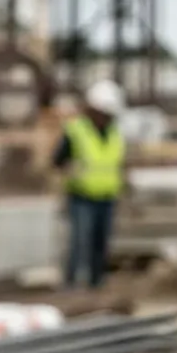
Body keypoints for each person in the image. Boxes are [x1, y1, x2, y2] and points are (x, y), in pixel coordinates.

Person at [55, 80, 126, 287]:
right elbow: (58, 160)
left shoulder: (115, 133)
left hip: (107, 196)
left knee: (100, 242)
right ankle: (71, 283)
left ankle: (97, 283)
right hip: (82, 195)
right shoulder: (76, 130)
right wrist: (70, 170)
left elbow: (117, 162)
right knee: (80, 242)